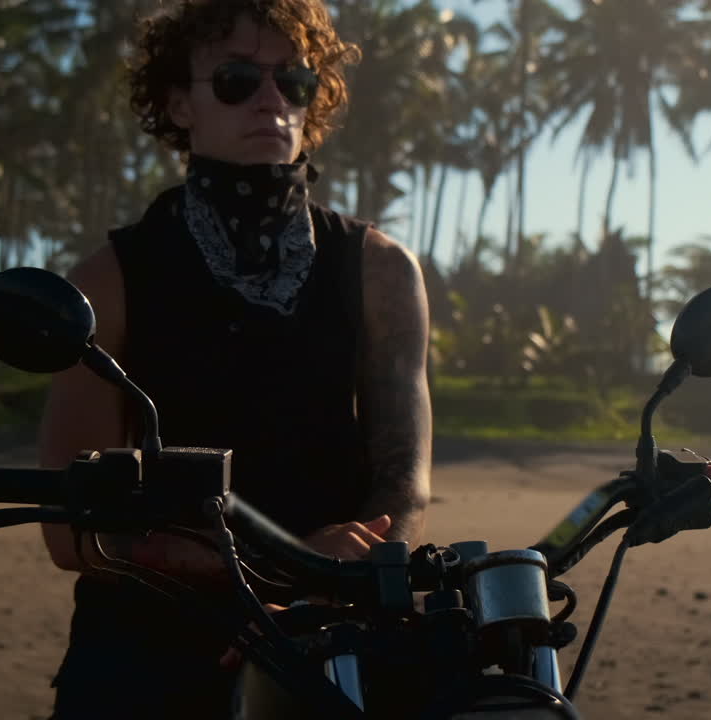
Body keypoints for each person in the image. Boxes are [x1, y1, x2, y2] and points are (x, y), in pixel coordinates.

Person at [35, 0, 432, 716]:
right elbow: (70, 527)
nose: (271, 100)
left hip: (330, 630)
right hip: (148, 637)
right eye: (237, 79)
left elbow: (404, 476)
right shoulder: (109, 280)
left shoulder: (380, 270)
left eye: (294, 81)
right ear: (178, 103)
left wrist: (339, 578)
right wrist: (280, 570)